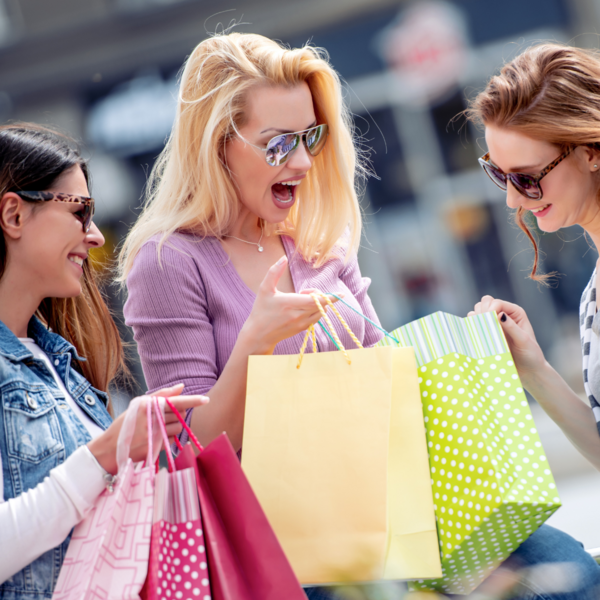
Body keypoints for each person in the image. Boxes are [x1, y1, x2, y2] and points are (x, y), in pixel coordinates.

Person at [119, 33, 600, 600]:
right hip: (299, 552)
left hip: (405, 507)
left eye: (310, 138)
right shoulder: (168, 262)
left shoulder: (319, 234)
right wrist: (253, 348)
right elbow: (184, 458)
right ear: (217, 144)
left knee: (574, 580)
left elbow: (385, 381)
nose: (301, 162)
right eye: (278, 145)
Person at [0, 123, 207, 598]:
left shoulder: (58, 360)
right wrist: (104, 455)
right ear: (13, 214)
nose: (94, 235)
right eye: (80, 212)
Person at [463, 42, 600, 597]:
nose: (516, 203)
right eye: (501, 178)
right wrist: (535, 369)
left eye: (528, 178)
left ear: (589, 149)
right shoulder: (593, 295)